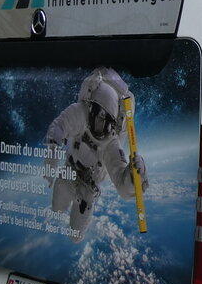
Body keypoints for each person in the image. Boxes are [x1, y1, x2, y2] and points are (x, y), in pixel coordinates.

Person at [45, 76, 147, 242]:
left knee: (75, 237)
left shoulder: (111, 144)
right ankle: (59, 208)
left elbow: (123, 186)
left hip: (87, 190)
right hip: (68, 175)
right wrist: (51, 159)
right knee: (56, 209)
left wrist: (134, 174)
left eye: (106, 118)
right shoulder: (80, 113)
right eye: (98, 113)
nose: (100, 120)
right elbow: (59, 126)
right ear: (91, 108)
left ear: (112, 123)